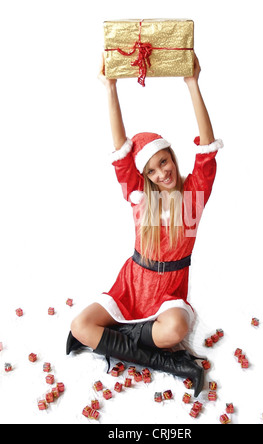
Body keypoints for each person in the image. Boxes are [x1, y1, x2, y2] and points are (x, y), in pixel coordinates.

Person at [66, 52, 223, 397]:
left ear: (171, 156)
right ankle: (172, 364)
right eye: (151, 170)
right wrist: (110, 88)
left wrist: (192, 83)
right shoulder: (140, 196)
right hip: (133, 283)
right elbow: (120, 150)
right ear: (144, 177)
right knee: (79, 325)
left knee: (175, 329)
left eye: (163, 162)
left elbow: (208, 148)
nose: (161, 173)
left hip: (169, 287)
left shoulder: (195, 193)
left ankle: (110, 340)